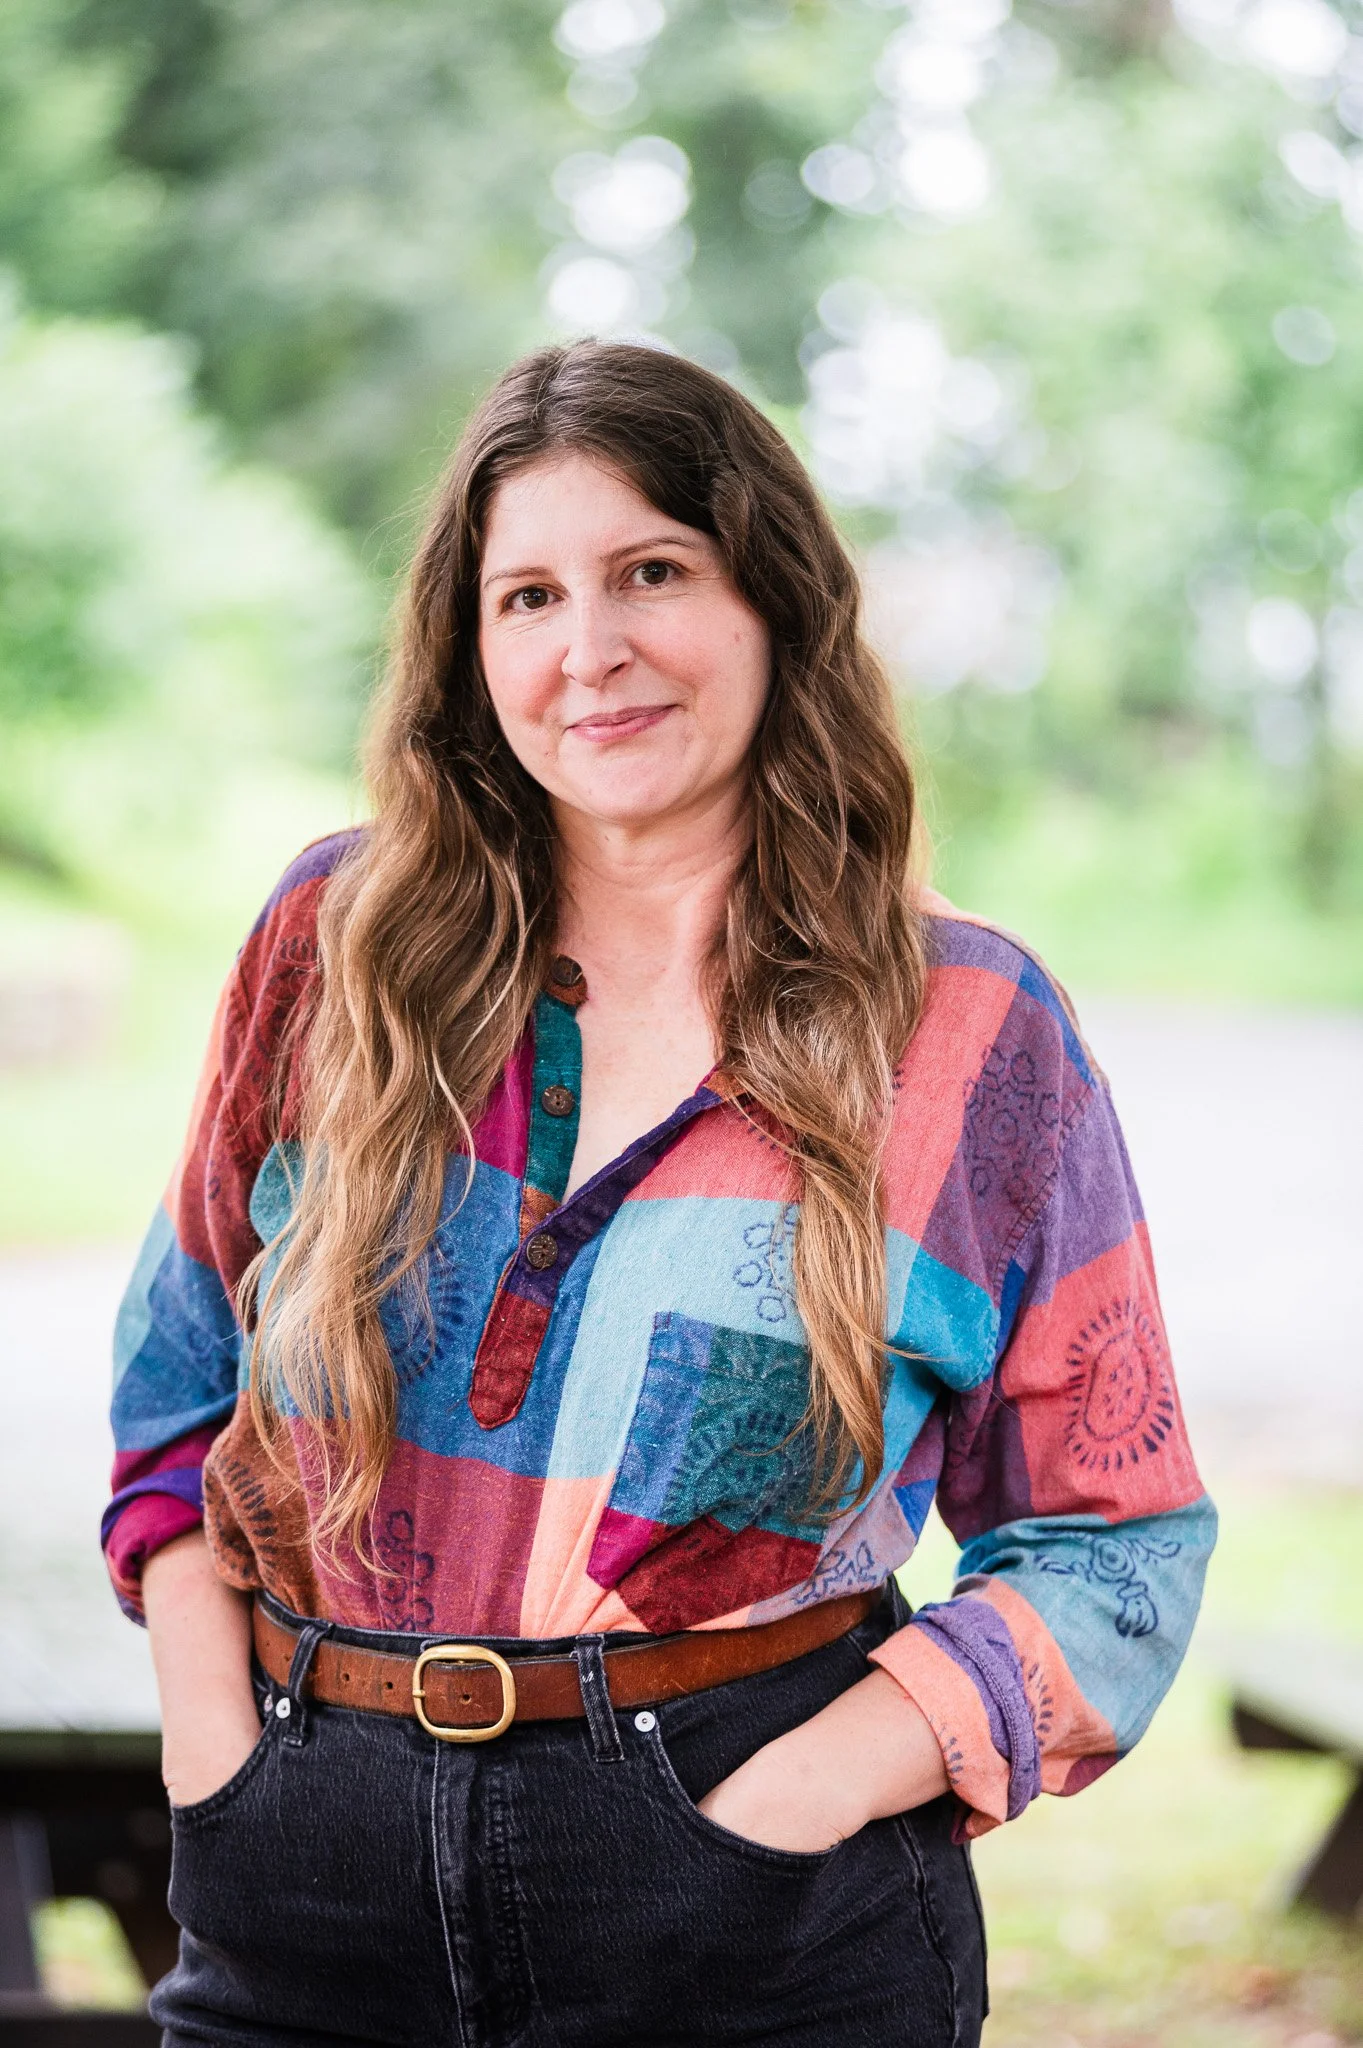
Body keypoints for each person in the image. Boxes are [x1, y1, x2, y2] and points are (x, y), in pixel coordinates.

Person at [104, 340, 1216, 2048]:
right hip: (300, 1880)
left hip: (750, 1894)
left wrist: (787, 1805)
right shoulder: (335, 951)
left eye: (651, 573)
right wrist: (216, 1749)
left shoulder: (970, 1035)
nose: (589, 651)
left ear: (771, 601)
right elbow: (180, 1385)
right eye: (527, 596)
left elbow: (1110, 1536)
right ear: (469, 657)